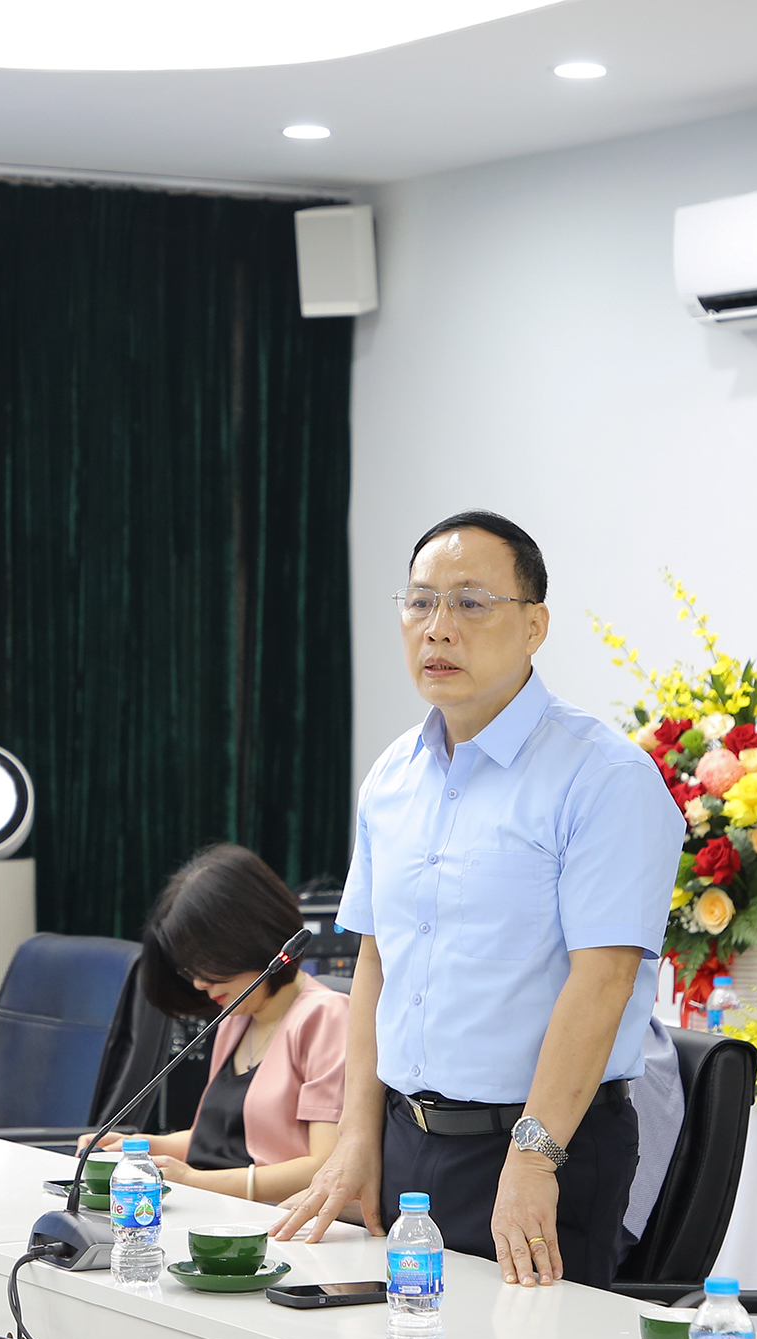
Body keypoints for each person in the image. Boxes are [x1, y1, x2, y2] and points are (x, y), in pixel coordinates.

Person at [271, 510, 682, 1291]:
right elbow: (376, 962)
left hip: (540, 1148)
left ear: (534, 626)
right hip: (404, 1139)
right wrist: (357, 1133)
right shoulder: (392, 776)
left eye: (469, 602)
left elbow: (603, 981)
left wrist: (534, 1157)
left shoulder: (604, 777)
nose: (437, 627)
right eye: (420, 602)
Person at [82, 843, 348, 1205]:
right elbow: (214, 1142)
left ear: (250, 940)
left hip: (274, 1220)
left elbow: (326, 1168)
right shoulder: (236, 1017)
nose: (198, 983)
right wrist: (141, 1148)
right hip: (215, 1209)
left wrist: (195, 1181)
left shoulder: (326, 1017)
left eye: (208, 964)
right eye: (189, 968)